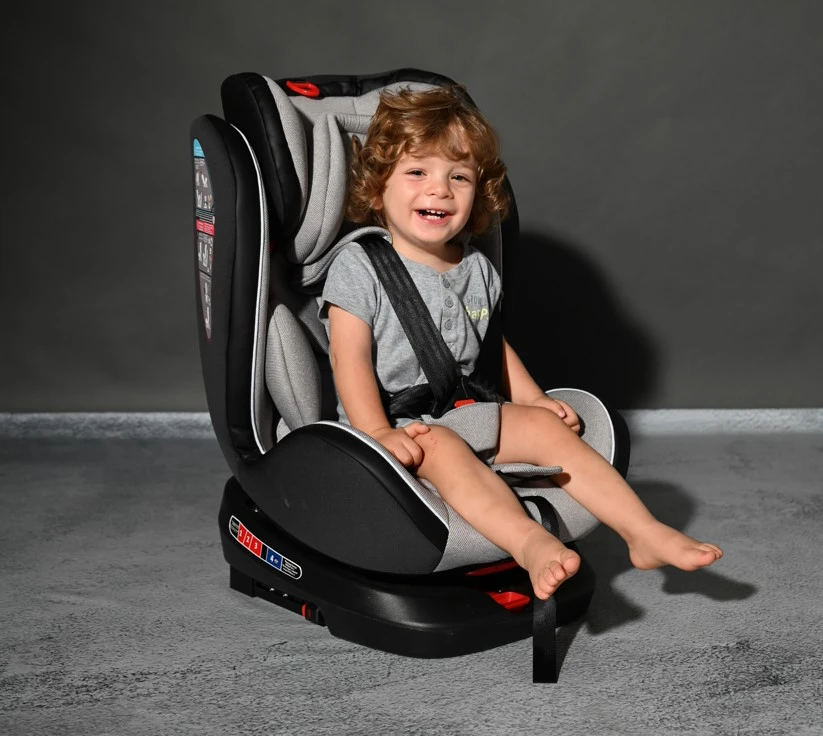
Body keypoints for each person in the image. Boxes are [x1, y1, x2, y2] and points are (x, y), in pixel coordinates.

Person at [320, 86, 722, 600]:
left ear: (477, 192)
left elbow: (493, 345)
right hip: (402, 426)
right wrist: (375, 430)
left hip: (465, 409)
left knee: (543, 427)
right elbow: (347, 357)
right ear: (378, 189)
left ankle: (642, 532)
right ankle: (531, 544)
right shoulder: (360, 267)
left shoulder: (477, 267)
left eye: (458, 177)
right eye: (417, 172)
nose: (439, 190)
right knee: (442, 446)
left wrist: (531, 399)